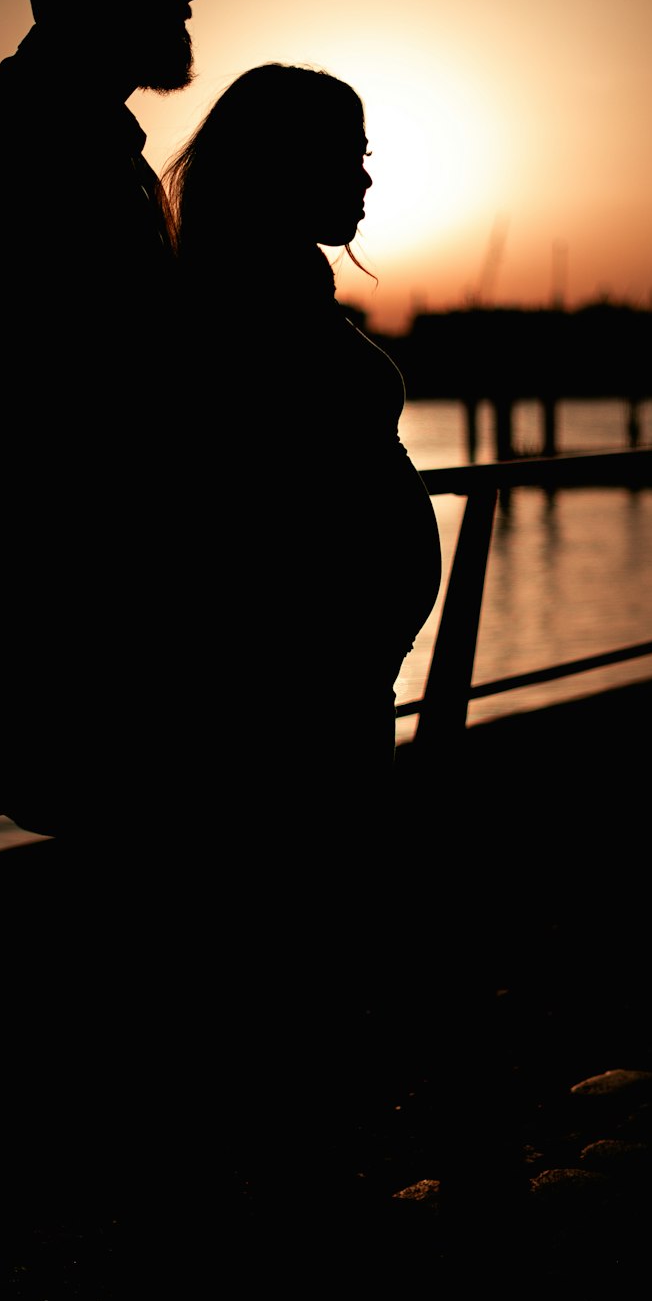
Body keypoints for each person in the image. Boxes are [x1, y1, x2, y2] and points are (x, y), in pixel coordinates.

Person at [0, 0, 199, 837]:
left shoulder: (80, 139)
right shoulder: (29, 138)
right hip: (77, 637)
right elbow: (94, 399)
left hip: (96, 628)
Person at [163, 63, 442, 836]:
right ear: (284, 163)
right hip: (296, 690)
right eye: (347, 154)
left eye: (366, 156)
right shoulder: (236, 310)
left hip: (345, 676)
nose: (364, 178)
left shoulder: (282, 290)